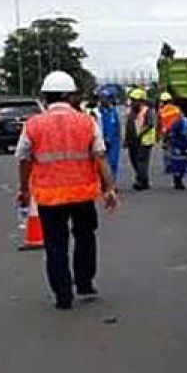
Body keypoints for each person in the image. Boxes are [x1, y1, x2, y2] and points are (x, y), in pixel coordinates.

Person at [14, 71, 118, 310]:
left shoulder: (33, 125)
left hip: (50, 197)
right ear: (70, 96)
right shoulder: (86, 121)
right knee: (85, 237)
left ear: (45, 97)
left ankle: (63, 295)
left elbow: (23, 159)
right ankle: (84, 283)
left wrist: (23, 189)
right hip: (82, 194)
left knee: (55, 245)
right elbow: (100, 156)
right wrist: (109, 188)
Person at [124, 87, 156, 191]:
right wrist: (127, 139)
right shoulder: (131, 111)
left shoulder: (148, 111)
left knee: (141, 161)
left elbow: (150, 124)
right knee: (134, 160)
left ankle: (141, 181)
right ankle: (144, 179)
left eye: (135, 100)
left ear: (142, 101)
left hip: (145, 141)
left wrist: (140, 134)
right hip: (133, 140)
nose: (133, 102)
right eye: (132, 100)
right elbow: (128, 125)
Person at [97, 88, 122, 184]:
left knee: (113, 163)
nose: (106, 100)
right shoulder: (98, 112)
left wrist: (119, 137)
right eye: (104, 98)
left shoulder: (113, 111)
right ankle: (103, 182)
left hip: (114, 141)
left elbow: (117, 125)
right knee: (101, 163)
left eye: (108, 98)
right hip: (102, 141)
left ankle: (111, 183)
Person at [157, 91, 180, 174]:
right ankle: (176, 165)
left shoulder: (161, 111)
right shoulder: (176, 109)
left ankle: (168, 166)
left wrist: (158, 136)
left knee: (167, 149)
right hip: (176, 132)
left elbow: (159, 124)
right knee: (176, 149)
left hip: (166, 132)